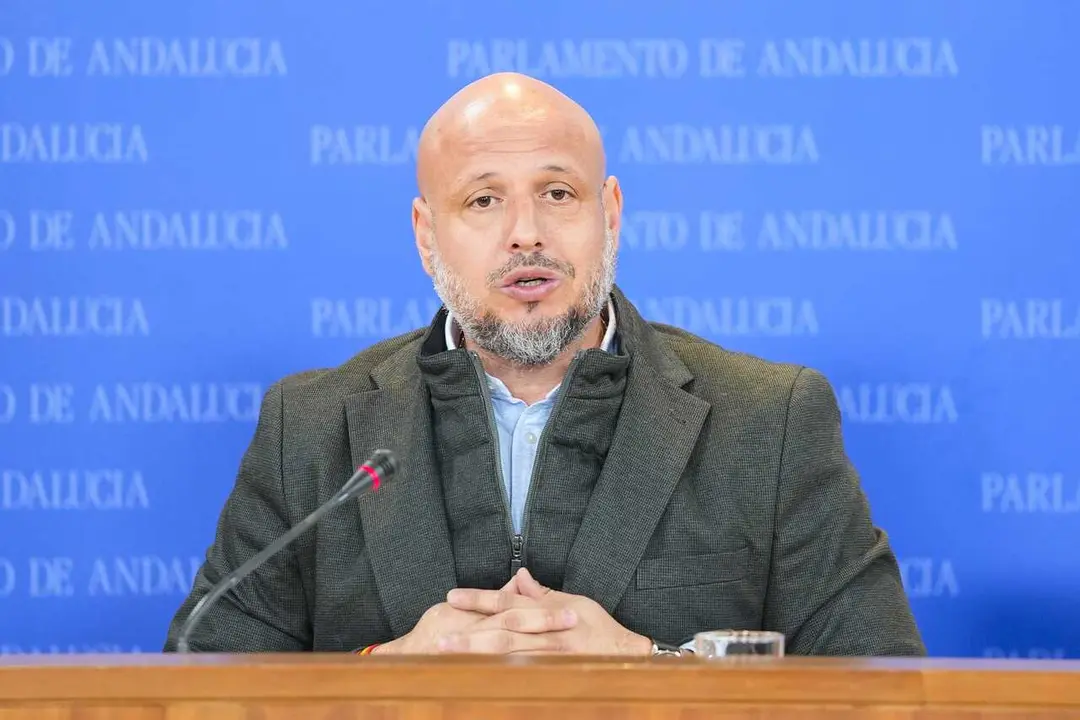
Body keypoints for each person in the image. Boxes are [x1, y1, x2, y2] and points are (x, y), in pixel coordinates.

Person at [163, 72, 926, 657]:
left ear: (611, 211)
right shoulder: (311, 429)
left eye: (557, 192)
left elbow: (884, 686)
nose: (526, 233)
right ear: (427, 234)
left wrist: (653, 664)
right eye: (484, 202)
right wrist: (382, 670)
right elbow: (199, 684)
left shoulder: (771, 419)